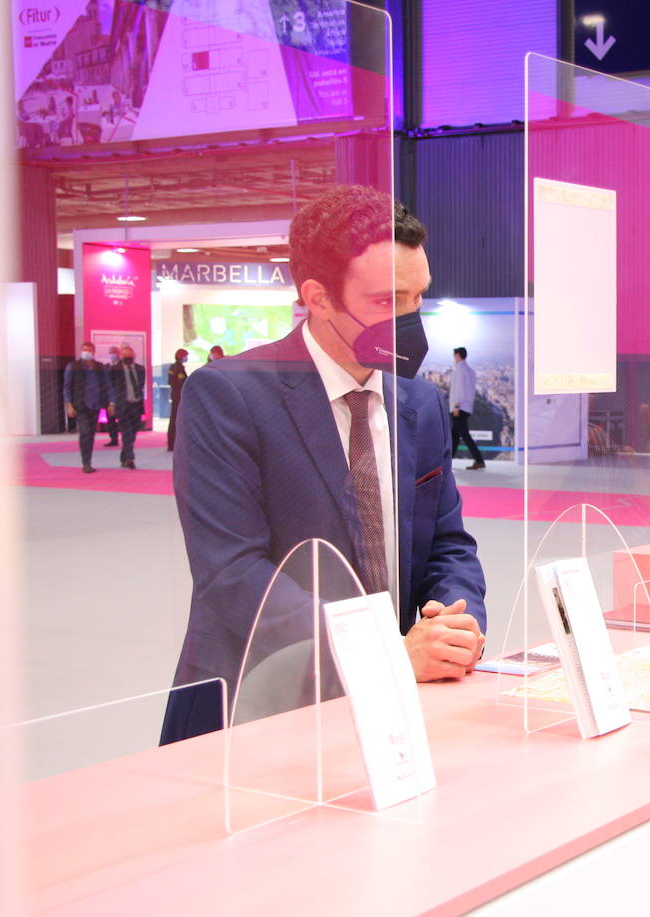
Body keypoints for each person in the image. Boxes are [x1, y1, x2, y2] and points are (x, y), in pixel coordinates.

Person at [161, 185, 487, 744]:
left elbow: (448, 543)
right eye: (388, 301)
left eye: (418, 298)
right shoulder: (228, 394)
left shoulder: (421, 403)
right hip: (266, 695)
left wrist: (457, 618)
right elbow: (232, 574)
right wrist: (381, 650)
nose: (412, 321)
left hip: (398, 696)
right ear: (318, 297)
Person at [63, 340, 112, 473]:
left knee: (91, 434)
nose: (87, 352)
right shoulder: (73, 366)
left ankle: (88, 460)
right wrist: (69, 405)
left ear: (93, 352)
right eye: (84, 349)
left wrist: (110, 403)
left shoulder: (100, 367)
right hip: (80, 405)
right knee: (84, 433)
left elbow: (107, 385)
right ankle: (86, 463)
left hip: (95, 405)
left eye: (89, 350)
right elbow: (67, 387)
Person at [108, 344, 145, 469]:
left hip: (136, 405)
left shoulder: (140, 369)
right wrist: (112, 403)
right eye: (125, 355)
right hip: (123, 405)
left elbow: (140, 387)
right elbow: (111, 387)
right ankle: (130, 458)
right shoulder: (114, 369)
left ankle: (124, 457)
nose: (128, 357)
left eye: (130, 355)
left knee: (133, 433)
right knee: (126, 433)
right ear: (120, 356)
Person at [449, 346, 486, 470]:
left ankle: (479, 460)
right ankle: (447, 462)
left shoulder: (459, 369)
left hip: (459, 407)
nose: (453, 358)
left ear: (458, 356)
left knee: (464, 435)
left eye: (454, 356)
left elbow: (459, 389)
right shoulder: (470, 371)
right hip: (467, 407)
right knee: (455, 435)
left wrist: (456, 406)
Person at [167, 348, 188, 452]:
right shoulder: (179, 368)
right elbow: (181, 383)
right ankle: (173, 443)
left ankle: (171, 442)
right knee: (176, 419)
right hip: (178, 397)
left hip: (175, 395)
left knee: (173, 419)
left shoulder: (172, 367)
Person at [103, 345, 121, 445]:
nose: (112, 355)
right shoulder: (105, 367)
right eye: (111, 353)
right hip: (109, 398)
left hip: (121, 397)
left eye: (114, 352)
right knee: (110, 419)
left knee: (123, 419)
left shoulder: (122, 367)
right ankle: (113, 439)